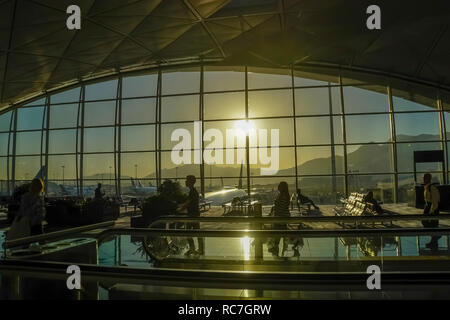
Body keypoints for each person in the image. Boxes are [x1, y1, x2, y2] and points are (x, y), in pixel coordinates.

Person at [178, 175, 204, 256]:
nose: (185, 182)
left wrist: (179, 210)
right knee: (196, 232)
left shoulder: (192, 192)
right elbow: (188, 203)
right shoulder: (193, 191)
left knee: (189, 232)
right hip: (194, 214)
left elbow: (188, 204)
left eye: (187, 180)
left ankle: (194, 249)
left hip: (192, 215)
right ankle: (199, 249)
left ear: (190, 182)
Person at [269, 181, 291, 257]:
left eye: (279, 186)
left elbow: (281, 207)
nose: (278, 187)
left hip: (281, 216)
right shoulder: (282, 195)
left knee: (278, 231)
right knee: (280, 232)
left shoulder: (283, 196)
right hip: (282, 216)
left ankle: (277, 248)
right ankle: (279, 248)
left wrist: (276, 213)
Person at [422, 173, 441, 249]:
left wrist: (431, 211)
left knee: (429, 223)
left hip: (432, 209)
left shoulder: (431, 188)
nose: (423, 179)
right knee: (430, 224)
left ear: (428, 179)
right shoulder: (427, 188)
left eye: (424, 178)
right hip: (429, 207)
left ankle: (436, 237)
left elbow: (435, 201)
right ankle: (434, 241)